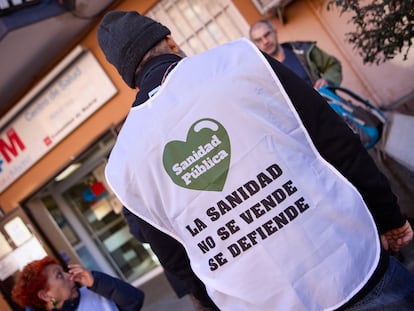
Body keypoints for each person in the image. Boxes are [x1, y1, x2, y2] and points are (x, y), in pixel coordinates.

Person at [97, 10, 414, 310]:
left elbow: (175, 258)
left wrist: (210, 304)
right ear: (171, 42)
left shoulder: (123, 162)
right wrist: (388, 217)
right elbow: (333, 139)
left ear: (129, 76)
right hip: (349, 262)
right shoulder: (239, 60)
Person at [123, 207, 219, 310]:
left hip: (193, 258)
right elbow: (140, 233)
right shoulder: (131, 204)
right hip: (188, 260)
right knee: (205, 301)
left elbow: (140, 233)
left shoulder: (132, 203)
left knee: (206, 301)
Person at [11, 256, 145, 311]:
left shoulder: (95, 291)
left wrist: (96, 282)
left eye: (63, 271)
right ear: (45, 295)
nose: (69, 275)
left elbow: (135, 300)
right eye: (59, 275)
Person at [249, 19, 342, 89]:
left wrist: (327, 80)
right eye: (259, 40)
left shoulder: (302, 50)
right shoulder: (262, 75)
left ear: (275, 32)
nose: (265, 41)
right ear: (255, 45)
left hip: (330, 108)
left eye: (267, 34)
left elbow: (332, 65)